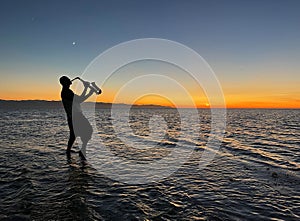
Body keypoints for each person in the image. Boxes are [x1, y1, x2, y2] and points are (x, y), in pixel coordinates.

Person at [59, 76, 96, 160]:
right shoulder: (66, 92)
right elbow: (79, 100)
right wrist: (89, 91)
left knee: (74, 134)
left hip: (74, 116)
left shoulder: (67, 91)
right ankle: (80, 150)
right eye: (67, 80)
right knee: (88, 130)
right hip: (75, 116)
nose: (69, 80)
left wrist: (87, 89)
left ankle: (70, 152)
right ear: (64, 82)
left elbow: (78, 99)